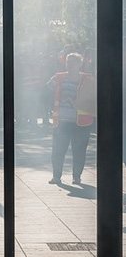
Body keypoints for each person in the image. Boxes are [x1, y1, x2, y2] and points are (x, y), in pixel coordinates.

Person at [46, 52, 95, 185]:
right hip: (62, 121)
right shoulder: (58, 78)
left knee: (79, 151)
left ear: (80, 64)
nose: (70, 65)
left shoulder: (87, 79)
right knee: (58, 150)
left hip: (81, 123)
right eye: (68, 62)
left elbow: (94, 98)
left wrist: (78, 101)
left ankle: (76, 177)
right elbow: (46, 91)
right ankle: (56, 176)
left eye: (74, 62)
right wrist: (55, 100)